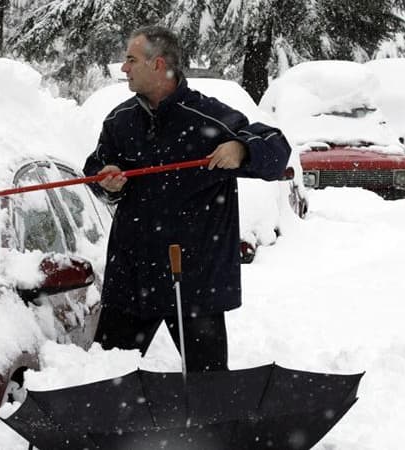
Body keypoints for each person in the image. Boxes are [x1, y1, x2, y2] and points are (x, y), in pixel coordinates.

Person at [83, 26, 291, 372]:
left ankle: (208, 429)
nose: (124, 68)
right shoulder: (120, 122)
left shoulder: (209, 118)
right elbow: (96, 168)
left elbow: (276, 149)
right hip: (133, 280)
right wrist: (108, 179)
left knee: (208, 388)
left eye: (131, 59)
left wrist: (241, 148)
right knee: (107, 381)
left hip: (196, 285)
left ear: (158, 64)